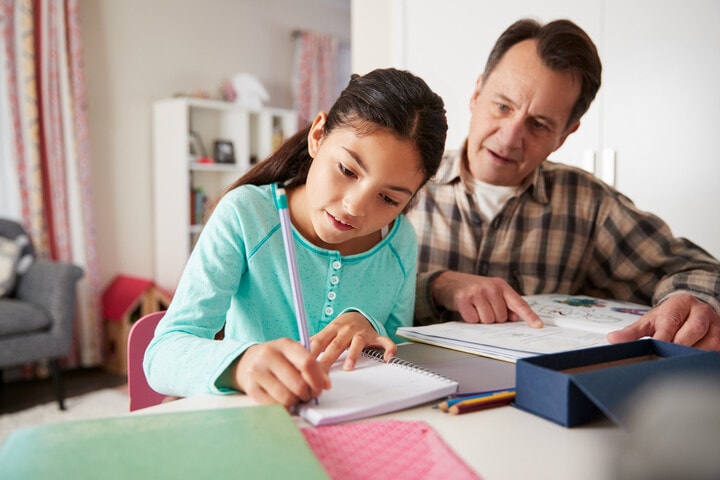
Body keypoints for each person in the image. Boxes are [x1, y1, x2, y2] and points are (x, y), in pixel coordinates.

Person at [408, 18, 720, 350]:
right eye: (502, 106)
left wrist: (691, 300)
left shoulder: (589, 204)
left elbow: (698, 269)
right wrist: (436, 286)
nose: (510, 137)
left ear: (565, 135)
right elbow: (347, 287)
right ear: (476, 93)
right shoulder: (403, 181)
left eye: (538, 124)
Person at [145, 68, 448, 408]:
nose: (354, 207)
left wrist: (369, 327)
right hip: (250, 425)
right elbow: (162, 354)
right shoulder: (247, 215)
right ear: (318, 134)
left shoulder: (400, 241)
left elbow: (397, 352)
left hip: (351, 427)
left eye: (389, 199)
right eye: (347, 170)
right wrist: (241, 365)